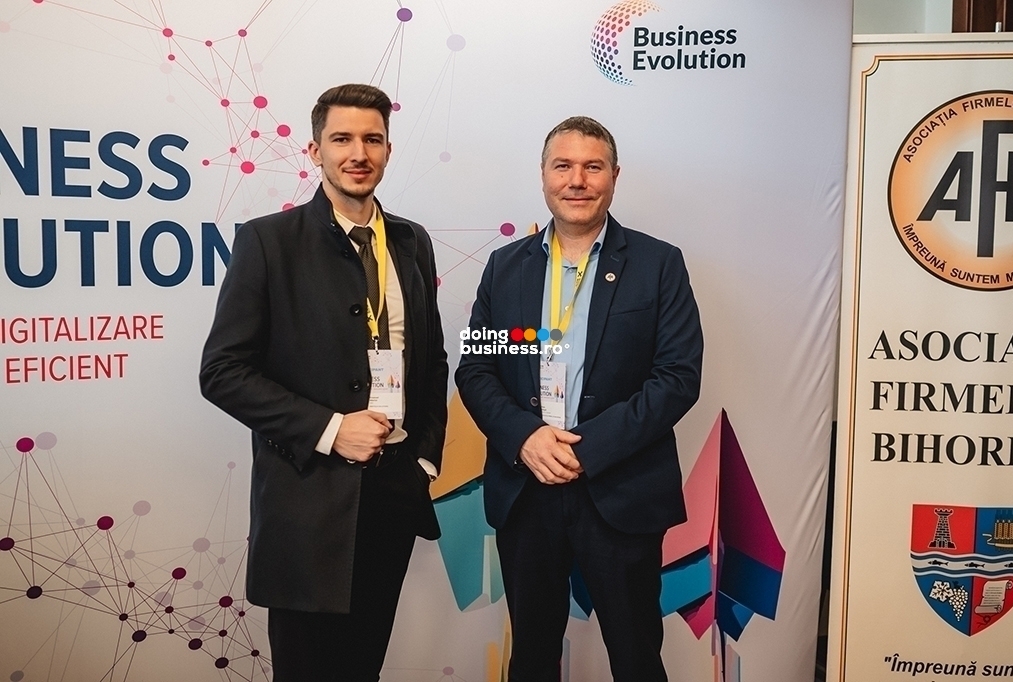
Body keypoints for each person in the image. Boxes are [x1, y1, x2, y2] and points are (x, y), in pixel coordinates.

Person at [199, 84, 447, 682]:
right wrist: (332, 430)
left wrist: (423, 461)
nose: (358, 153)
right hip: (308, 502)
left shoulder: (412, 241)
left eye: (372, 139)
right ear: (315, 150)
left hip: (392, 495)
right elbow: (222, 371)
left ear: (388, 149)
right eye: (342, 139)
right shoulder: (268, 241)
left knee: (363, 668)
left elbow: (432, 360)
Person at [455, 116, 702, 681]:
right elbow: (477, 368)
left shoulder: (659, 264)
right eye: (563, 166)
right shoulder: (505, 266)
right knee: (532, 658)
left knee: (636, 658)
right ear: (543, 175)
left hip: (620, 489)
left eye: (593, 167)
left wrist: (585, 449)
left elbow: (677, 378)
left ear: (614, 176)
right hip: (527, 488)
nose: (577, 180)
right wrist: (525, 438)